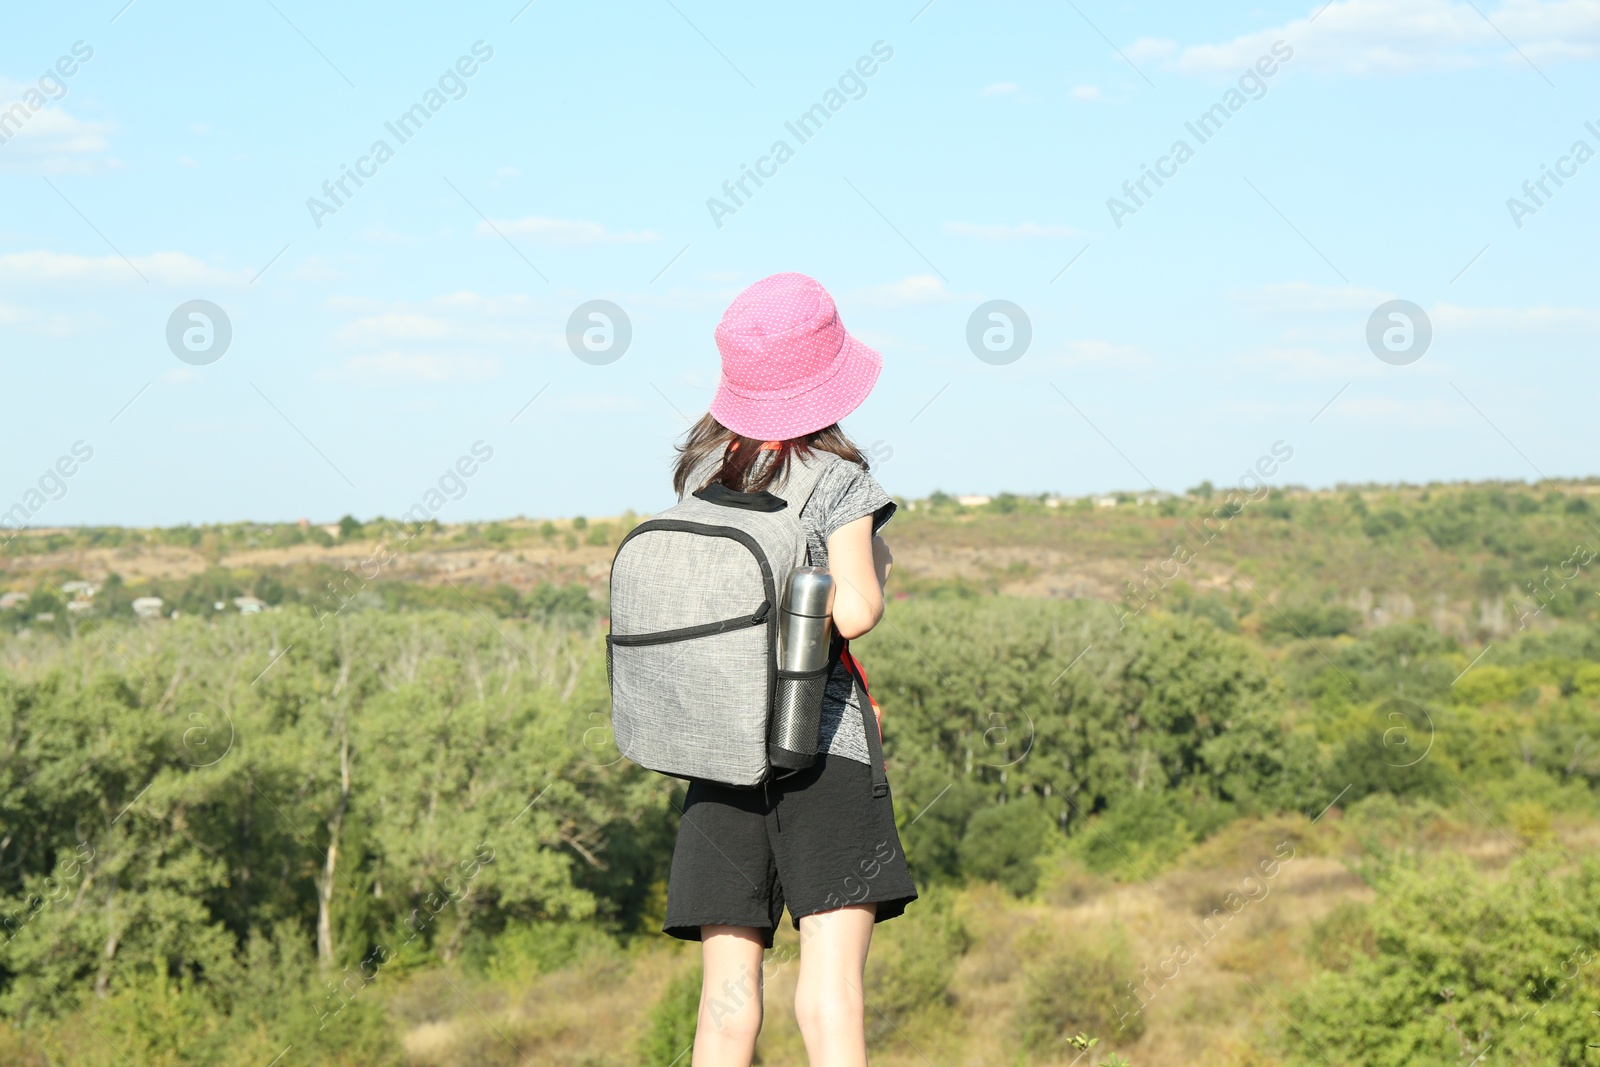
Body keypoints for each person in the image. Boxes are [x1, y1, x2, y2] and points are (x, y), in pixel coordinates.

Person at [661, 272, 917, 1067]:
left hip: (718, 753)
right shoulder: (839, 479)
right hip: (824, 751)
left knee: (725, 1001)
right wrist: (869, 553)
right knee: (830, 986)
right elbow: (857, 610)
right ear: (826, 382)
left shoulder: (706, 484)